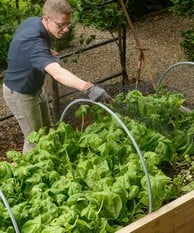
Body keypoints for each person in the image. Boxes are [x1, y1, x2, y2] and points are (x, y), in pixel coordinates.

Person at [3, 0, 113, 153]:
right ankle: (27, 172)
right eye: (61, 25)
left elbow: (24, 41)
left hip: (35, 88)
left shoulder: (33, 23)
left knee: (48, 131)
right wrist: (88, 87)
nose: (66, 29)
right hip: (20, 93)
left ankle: (48, 167)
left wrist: (47, 50)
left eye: (68, 24)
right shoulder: (35, 44)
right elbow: (58, 73)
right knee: (35, 139)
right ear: (46, 18)